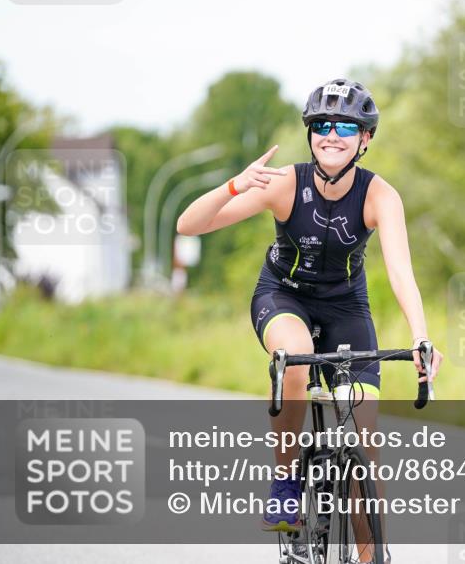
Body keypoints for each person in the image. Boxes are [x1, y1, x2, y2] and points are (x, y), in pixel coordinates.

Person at [176, 79, 444, 548]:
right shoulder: (285, 183)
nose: (332, 135)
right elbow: (189, 225)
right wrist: (236, 184)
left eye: (346, 127)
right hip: (284, 297)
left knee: (365, 445)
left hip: (346, 307)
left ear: (365, 138)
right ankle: (285, 483)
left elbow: (401, 272)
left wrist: (421, 337)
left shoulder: (380, 195)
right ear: (310, 133)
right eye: (322, 125)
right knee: (295, 355)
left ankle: (372, 556)